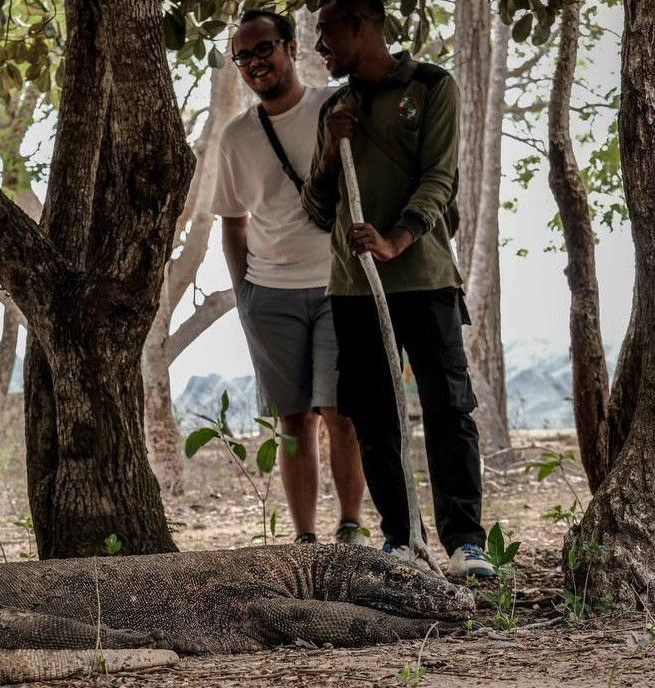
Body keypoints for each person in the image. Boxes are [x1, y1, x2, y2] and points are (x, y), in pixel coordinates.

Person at [301, 0, 494, 576]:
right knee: (373, 415)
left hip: (425, 278)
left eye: (326, 32)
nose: (318, 47)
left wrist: (396, 239)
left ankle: (465, 543)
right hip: (354, 287)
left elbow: (441, 178)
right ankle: (403, 539)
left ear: (360, 24)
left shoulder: (434, 87)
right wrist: (333, 149)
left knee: (447, 409)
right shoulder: (335, 107)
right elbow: (316, 207)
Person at [212, 9, 368, 546]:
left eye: (264, 49)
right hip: (268, 293)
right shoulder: (236, 138)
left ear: (291, 48)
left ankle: (350, 527)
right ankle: (305, 539)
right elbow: (232, 223)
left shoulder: (334, 106)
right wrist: (245, 295)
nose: (256, 62)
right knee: (294, 422)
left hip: (337, 284)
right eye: (244, 55)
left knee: (340, 411)